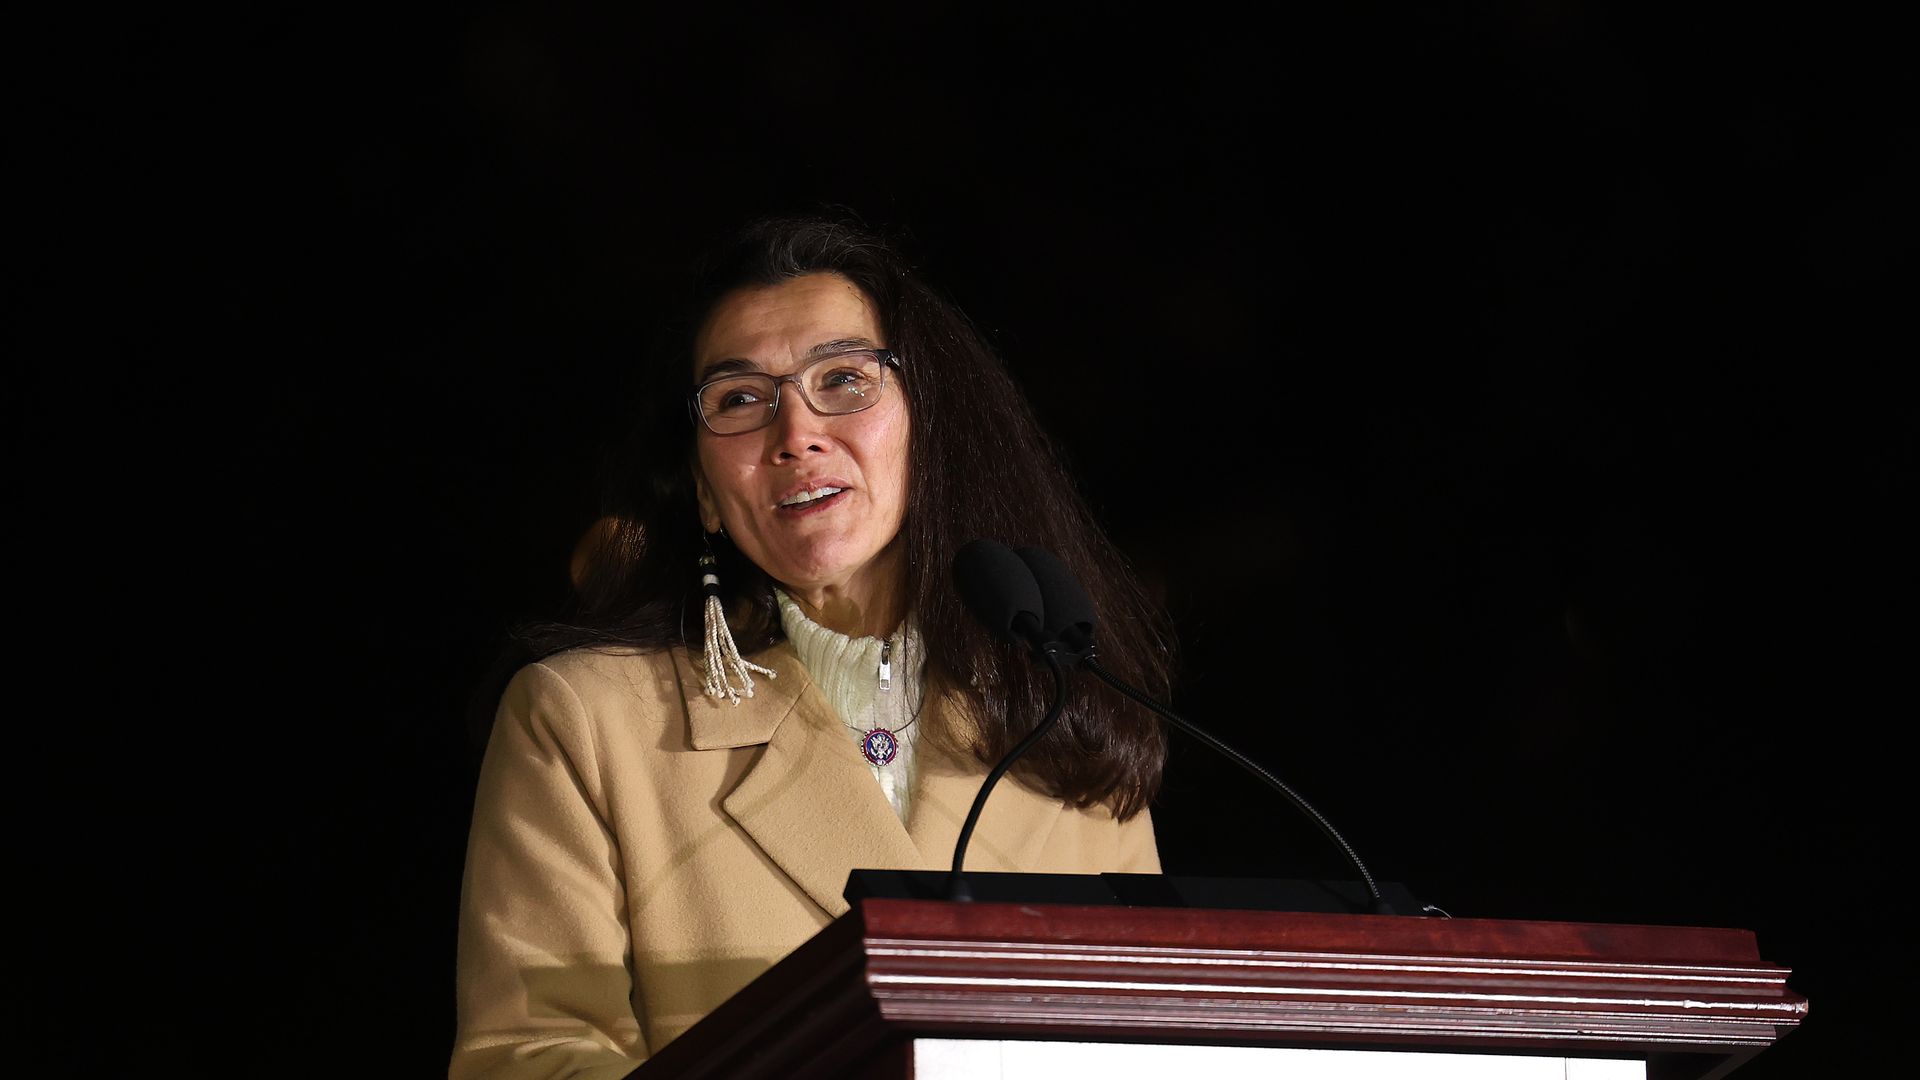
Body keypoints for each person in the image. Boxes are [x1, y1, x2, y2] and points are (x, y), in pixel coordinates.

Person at [451, 215, 1175, 1078]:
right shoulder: (584, 722)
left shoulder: (1065, 714)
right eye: (740, 400)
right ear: (704, 493)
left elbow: (1151, 1040)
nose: (795, 433)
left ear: (928, 429)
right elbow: (526, 1058)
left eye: (843, 379)